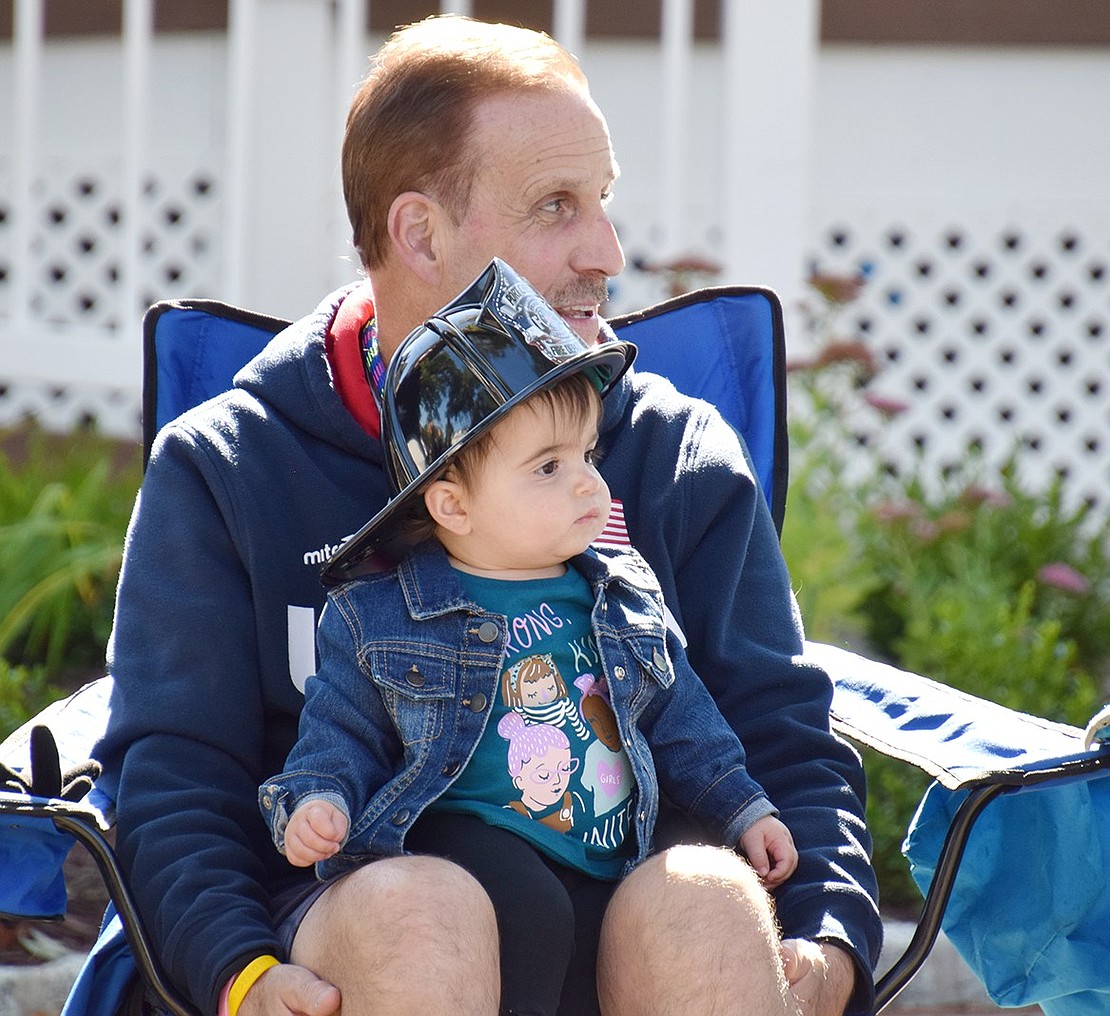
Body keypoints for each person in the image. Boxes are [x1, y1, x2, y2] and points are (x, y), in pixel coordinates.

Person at [96, 14, 881, 1016]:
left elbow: (781, 736)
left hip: (637, 904)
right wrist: (242, 972)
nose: (608, 252)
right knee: (422, 914)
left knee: (706, 905)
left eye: (603, 202)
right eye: (558, 205)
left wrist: (824, 942)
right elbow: (174, 782)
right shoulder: (232, 467)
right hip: (350, 925)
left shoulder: (671, 455)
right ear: (419, 231)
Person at [259, 260, 799, 1015]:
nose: (588, 483)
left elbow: (684, 721)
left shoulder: (621, 589)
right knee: (529, 916)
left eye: (587, 456)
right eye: (548, 466)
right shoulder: (380, 614)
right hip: (477, 846)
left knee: (670, 905)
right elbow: (339, 733)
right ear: (452, 504)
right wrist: (317, 800)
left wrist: (744, 807)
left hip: (616, 848)